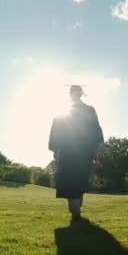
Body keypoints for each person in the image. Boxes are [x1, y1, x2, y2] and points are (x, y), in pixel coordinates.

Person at [48, 85, 103, 221]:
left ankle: (75, 209)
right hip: (75, 151)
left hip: (77, 150)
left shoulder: (87, 110)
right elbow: (56, 128)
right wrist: (55, 148)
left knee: (74, 180)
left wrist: (55, 148)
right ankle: (75, 208)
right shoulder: (67, 111)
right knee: (75, 180)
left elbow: (96, 129)